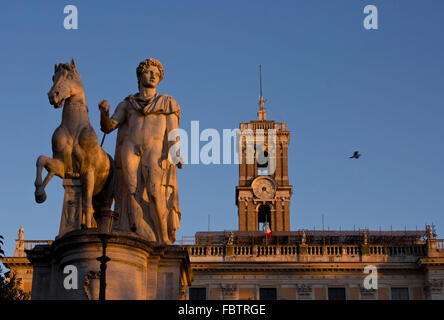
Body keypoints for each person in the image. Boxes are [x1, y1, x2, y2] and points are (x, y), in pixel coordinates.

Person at [99, 58, 182, 244]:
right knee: (129, 191)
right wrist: (103, 113)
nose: (153, 75)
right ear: (140, 75)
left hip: (154, 149)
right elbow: (109, 126)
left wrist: (175, 151)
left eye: (156, 74)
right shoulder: (127, 104)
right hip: (130, 147)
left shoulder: (167, 102)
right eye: (149, 71)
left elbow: (173, 132)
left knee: (154, 192)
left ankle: (162, 239)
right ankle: (134, 231)